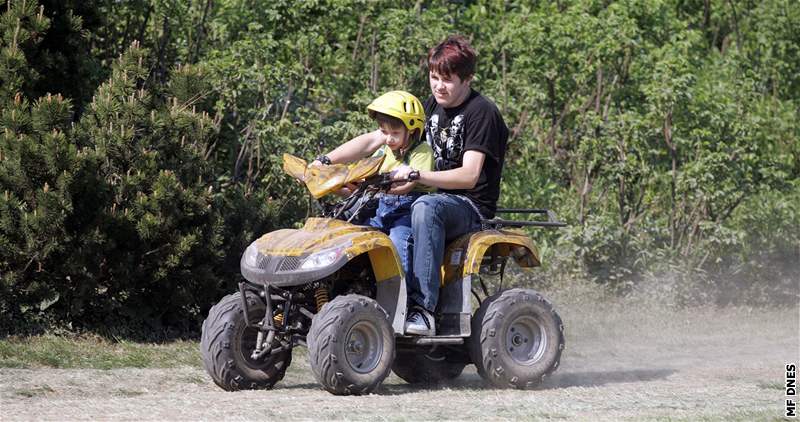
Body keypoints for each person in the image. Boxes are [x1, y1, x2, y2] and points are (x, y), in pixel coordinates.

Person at [392, 35, 509, 335]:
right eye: (433, 77)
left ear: (467, 79)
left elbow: (469, 175)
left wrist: (418, 177)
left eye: (447, 79)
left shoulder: (482, 112)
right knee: (382, 212)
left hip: (470, 207)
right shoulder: (432, 105)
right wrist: (333, 163)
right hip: (431, 199)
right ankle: (391, 304)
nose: (438, 86)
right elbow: (385, 136)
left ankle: (423, 311)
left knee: (425, 207)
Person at [312, 91, 433, 283]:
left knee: (398, 241)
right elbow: (358, 185)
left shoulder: (421, 150)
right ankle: (346, 284)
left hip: (407, 212)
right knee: (354, 236)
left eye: (395, 133)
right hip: (381, 208)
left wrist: (374, 186)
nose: (389, 138)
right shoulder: (382, 151)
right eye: (384, 132)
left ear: (412, 130)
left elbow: (406, 186)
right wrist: (331, 184)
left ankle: (404, 294)